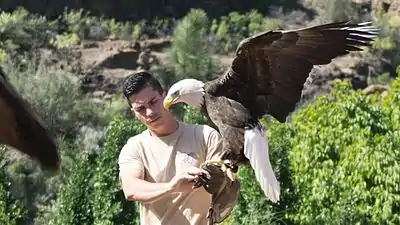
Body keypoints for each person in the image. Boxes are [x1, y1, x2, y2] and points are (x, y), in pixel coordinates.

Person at [118, 71, 227, 225]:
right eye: (140, 109)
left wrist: (210, 177)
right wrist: (171, 187)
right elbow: (131, 189)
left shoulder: (205, 135)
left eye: (153, 101)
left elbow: (223, 184)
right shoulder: (135, 147)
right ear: (134, 113)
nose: (149, 112)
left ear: (164, 95)